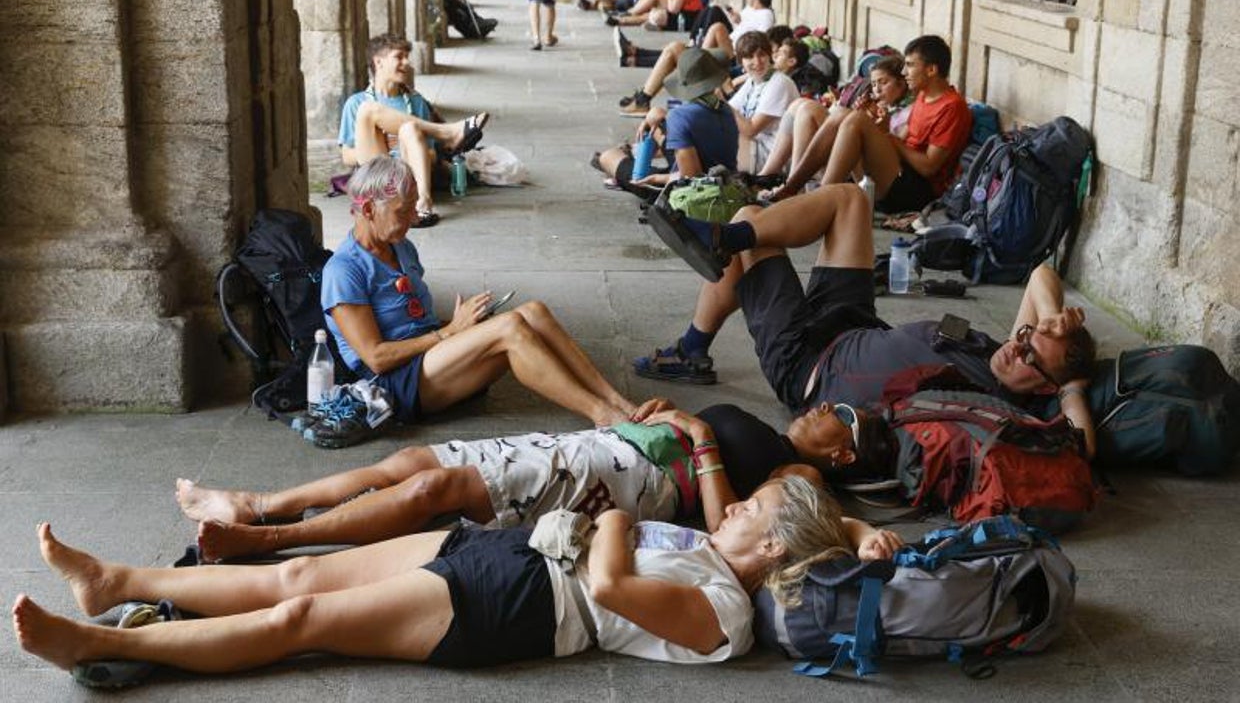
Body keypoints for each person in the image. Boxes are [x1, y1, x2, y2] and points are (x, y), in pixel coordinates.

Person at [14, 475, 903, 675]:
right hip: (505, 552)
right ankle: (118, 579)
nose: (736, 504)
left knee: (303, 625)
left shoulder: (726, 613)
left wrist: (616, 521)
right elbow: (821, 517)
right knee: (298, 579)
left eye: (754, 507)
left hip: (518, 604)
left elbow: (610, 588)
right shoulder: (719, 548)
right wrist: (863, 529)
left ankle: (95, 644)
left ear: (778, 547)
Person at [638, 183, 1100, 458]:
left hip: (809, 367)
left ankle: (693, 341)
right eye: (1025, 334)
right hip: (852, 322)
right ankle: (720, 246)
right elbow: (1042, 274)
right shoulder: (1004, 351)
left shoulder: (1002, 400)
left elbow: (1083, 444)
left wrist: (1073, 387)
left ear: (1044, 387)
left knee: (750, 224)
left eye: (1030, 354)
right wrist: (1054, 320)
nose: (1017, 345)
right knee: (851, 200)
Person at [174, 397, 876, 561]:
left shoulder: (793, 471)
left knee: (436, 494)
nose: (825, 406)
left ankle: (266, 541)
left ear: (842, 456)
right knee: (415, 464)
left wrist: (701, 443)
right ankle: (262, 503)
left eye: (842, 417)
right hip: (602, 445)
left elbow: (732, 526)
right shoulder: (774, 428)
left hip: (621, 481)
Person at [323, 156, 640, 430]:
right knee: (510, 328)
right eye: (403, 211)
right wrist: (450, 332)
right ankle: (602, 415)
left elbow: (415, 320)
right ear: (366, 210)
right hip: (395, 384)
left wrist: (466, 325)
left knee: (534, 313)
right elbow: (376, 359)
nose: (414, 218)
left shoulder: (401, 247)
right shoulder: (344, 270)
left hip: (432, 359)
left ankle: (618, 402)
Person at [771, 35, 971, 214]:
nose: (904, 71)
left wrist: (887, 137)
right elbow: (905, 139)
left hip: (917, 192)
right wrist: (881, 128)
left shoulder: (952, 106)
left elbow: (929, 167)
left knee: (857, 120)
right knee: (843, 113)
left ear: (931, 70)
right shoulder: (924, 96)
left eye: (910, 65)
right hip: (897, 172)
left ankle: (820, 202)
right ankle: (792, 187)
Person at [338, 34, 489, 227]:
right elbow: (347, 156)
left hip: (407, 179)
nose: (407, 63)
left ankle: (423, 203)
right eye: (399, 57)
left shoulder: (416, 101)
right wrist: (382, 142)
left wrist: (406, 147)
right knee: (368, 109)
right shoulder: (356, 103)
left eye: (407, 57)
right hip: (377, 179)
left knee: (409, 128)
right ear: (379, 62)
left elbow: (433, 155)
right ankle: (447, 132)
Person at [616, 0, 775, 117]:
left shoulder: (766, 15)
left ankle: (645, 97)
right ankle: (644, 96)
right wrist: (735, 19)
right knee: (679, 45)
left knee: (712, 29)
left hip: (738, 58)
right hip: (731, 48)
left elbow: (759, 44)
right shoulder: (750, 10)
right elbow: (742, 27)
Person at [758, 54, 913, 200]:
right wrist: (861, 114)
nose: (877, 89)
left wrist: (876, 125)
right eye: (873, 84)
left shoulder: (906, 112)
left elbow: (895, 150)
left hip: (880, 177)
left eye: (884, 82)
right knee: (806, 108)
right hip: (854, 165)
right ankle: (793, 185)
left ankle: (803, 193)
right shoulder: (875, 106)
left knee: (822, 111)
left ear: (901, 84)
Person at [593, 47, 738, 196]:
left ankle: (626, 163)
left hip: (693, 195)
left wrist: (656, 178)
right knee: (656, 115)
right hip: (726, 182)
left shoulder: (680, 116)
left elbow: (690, 180)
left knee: (607, 157)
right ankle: (632, 158)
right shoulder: (726, 109)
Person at [726, 31, 799, 172]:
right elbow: (729, 109)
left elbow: (750, 130)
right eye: (749, 57)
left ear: (769, 55)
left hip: (773, 158)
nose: (757, 62)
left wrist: (721, 101)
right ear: (741, 61)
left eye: (761, 55)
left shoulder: (780, 83)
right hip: (755, 147)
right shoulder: (753, 81)